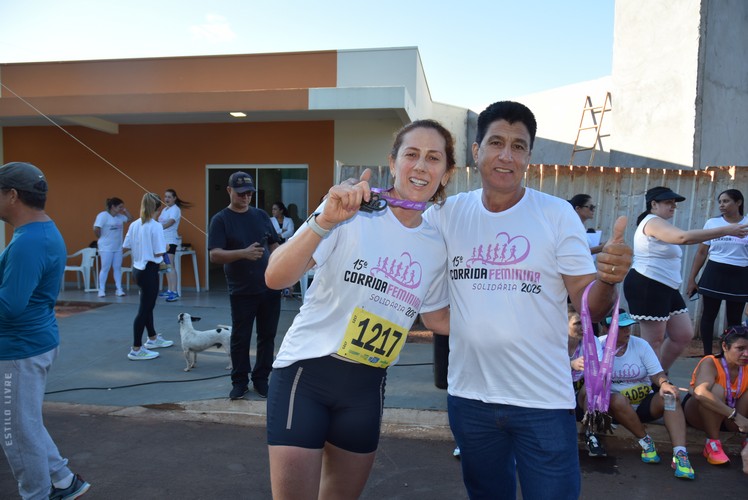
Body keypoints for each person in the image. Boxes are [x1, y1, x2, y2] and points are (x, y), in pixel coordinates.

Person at [423, 101, 632, 499]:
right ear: (476, 150)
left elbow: (590, 304)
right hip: (470, 398)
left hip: (542, 400)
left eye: (518, 146)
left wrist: (608, 278)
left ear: (529, 157)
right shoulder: (447, 214)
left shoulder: (555, 215)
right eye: (496, 142)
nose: (506, 155)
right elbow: (404, 235)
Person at [263, 119, 453, 499]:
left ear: (446, 174)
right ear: (393, 161)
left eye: (433, 158)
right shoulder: (350, 211)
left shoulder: (436, 244)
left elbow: (437, 319)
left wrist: (534, 322)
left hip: (367, 388)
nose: (420, 166)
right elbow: (275, 276)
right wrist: (324, 221)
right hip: (307, 374)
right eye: (411, 154)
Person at [0, 162, 91, 499]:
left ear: (12, 195)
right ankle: (64, 480)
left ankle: (37, 493)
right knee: (24, 423)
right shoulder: (39, 231)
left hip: (19, 349)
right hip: (30, 344)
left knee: (15, 432)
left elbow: (10, 305)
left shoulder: (29, 241)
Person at [622, 186, 748, 371]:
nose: (673, 206)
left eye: (674, 203)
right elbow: (683, 238)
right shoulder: (652, 222)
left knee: (683, 335)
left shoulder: (661, 222)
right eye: (668, 203)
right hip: (648, 284)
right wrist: (726, 230)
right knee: (653, 341)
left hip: (667, 286)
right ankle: (648, 386)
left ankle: (658, 376)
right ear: (653, 204)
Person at [208, 171, 282, 400]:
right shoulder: (221, 219)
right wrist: (243, 253)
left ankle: (261, 379)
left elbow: (275, 244)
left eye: (249, 193)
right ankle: (239, 382)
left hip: (270, 287)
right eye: (241, 193)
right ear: (229, 191)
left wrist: (281, 264)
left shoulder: (261, 216)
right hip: (242, 290)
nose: (246, 197)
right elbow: (215, 255)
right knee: (241, 337)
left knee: (267, 336)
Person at [599, 311, 695, 479]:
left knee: (670, 396)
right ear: (608, 329)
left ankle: (680, 455)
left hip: (645, 403)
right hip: (616, 408)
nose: (627, 331)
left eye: (628, 326)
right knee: (618, 400)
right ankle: (647, 442)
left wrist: (665, 384)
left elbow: (657, 374)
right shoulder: (598, 346)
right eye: (621, 328)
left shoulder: (641, 345)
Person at [686, 189, 748, 356]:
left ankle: (729, 354)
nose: (721, 205)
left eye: (726, 201)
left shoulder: (747, 223)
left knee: (734, 319)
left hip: (740, 275)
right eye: (720, 201)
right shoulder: (712, 224)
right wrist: (692, 279)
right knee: (708, 315)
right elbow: (701, 253)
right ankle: (707, 355)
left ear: (739, 203)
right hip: (714, 273)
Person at [682, 325, 748, 466]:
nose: (746, 354)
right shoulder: (710, 362)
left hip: (732, 421)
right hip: (701, 415)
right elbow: (700, 393)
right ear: (725, 346)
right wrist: (736, 416)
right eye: (740, 349)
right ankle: (712, 444)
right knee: (715, 390)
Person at [122, 192, 175, 360]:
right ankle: (136, 349)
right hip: (149, 270)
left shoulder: (135, 224)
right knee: (145, 309)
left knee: (147, 305)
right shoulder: (155, 226)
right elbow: (159, 250)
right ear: (157, 208)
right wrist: (166, 246)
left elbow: (127, 245)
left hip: (137, 270)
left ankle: (152, 338)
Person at [567, 307, 606, 457]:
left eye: (585, 323)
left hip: (579, 393)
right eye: (577, 323)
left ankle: (591, 434)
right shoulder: (554, 341)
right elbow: (544, 365)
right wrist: (570, 364)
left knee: (597, 383)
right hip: (557, 392)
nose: (583, 328)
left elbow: (599, 369)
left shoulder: (592, 340)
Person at [93, 196, 133, 297]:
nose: (121, 209)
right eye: (120, 207)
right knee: (105, 268)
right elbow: (96, 228)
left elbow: (130, 219)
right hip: (106, 247)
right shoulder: (103, 215)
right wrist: (101, 237)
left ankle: (119, 289)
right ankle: (101, 290)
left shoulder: (120, 217)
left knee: (117, 268)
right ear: (113, 207)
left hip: (118, 247)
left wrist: (125, 210)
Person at [158, 188, 191, 302]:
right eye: (165, 196)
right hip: (163, 241)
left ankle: (175, 291)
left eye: (169, 197)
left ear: (174, 198)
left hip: (170, 240)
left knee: (170, 265)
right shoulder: (165, 209)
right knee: (166, 266)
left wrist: (158, 228)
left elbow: (171, 222)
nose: (166, 199)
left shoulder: (175, 209)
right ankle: (169, 290)